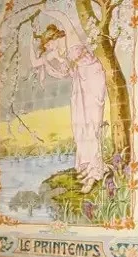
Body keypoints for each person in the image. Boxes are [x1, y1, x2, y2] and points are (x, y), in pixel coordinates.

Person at [30, 11, 107, 193]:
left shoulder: (70, 37)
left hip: (93, 77)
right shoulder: (58, 53)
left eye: (47, 45)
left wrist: (45, 8)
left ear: (53, 38)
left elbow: (64, 17)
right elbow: (35, 63)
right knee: (80, 127)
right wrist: (30, 39)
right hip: (80, 84)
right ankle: (86, 166)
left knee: (92, 126)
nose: (48, 49)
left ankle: (95, 172)